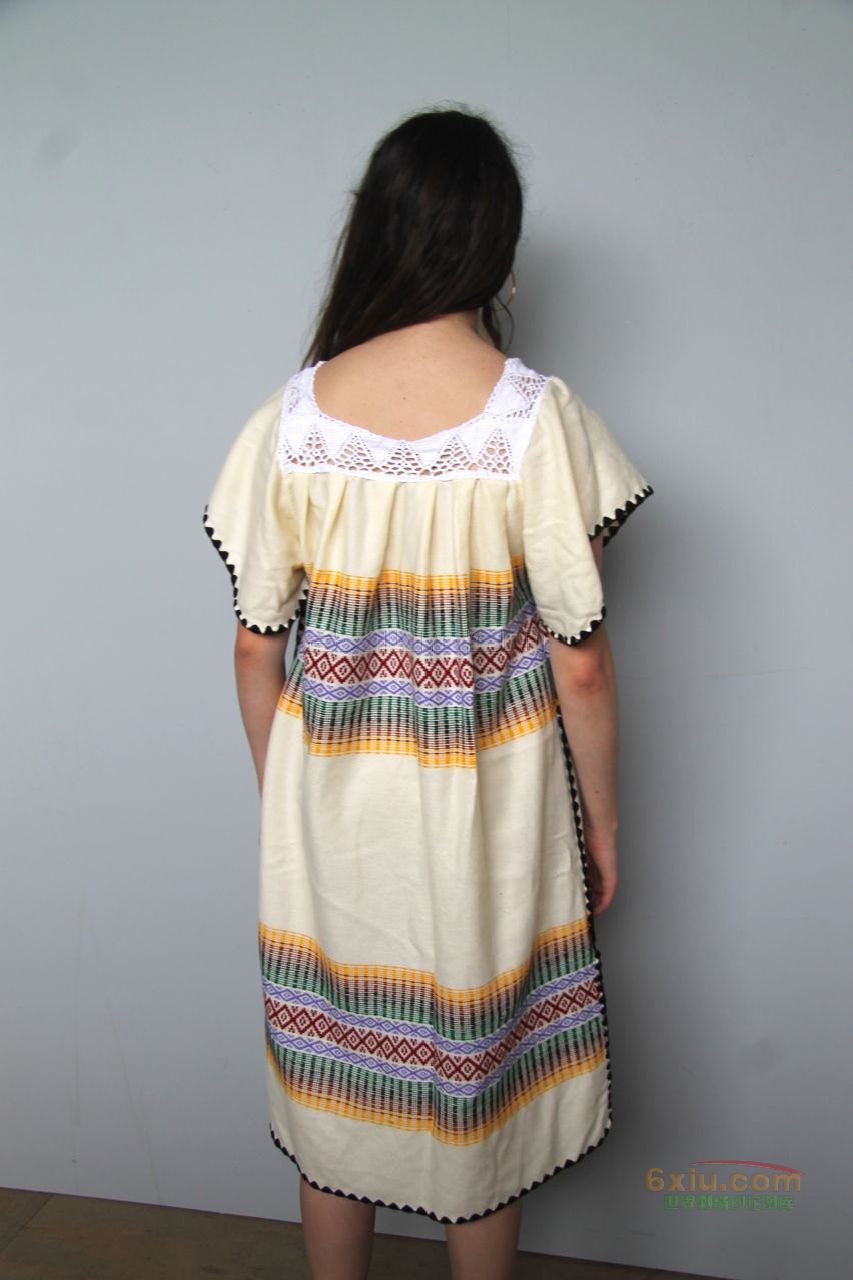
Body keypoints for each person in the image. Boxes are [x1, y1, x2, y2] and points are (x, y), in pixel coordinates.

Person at [202, 105, 654, 1280]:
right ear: (493, 243)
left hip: (327, 818)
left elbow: (255, 647)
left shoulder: (294, 414)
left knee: (334, 1085)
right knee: (478, 1090)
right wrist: (603, 822)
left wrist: (292, 796)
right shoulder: (531, 418)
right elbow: (580, 653)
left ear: (376, 229)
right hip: (487, 815)